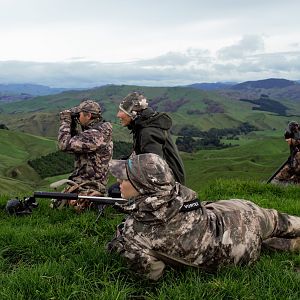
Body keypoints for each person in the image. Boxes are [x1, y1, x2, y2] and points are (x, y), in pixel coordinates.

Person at [107, 153, 300, 281]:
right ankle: (288, 235)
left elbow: (153, 273)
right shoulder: (180, 192)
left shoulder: (133, 234)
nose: (118, 181)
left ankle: (289, 245)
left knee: (254, 243)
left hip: (237, 255)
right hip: (242, 216)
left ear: (142, 188)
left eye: (124, 179)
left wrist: (119, 241)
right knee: (277, 221)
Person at [54, 99, 113, 211]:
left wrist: (66, 122)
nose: (77, 117)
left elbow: (64, 145)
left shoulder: (94, 134)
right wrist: (73, 126)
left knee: (64, 207)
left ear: (89, 116)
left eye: (79, 114)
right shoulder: (99, 130)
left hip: (89, 184)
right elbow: (78, 141)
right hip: (88, 181)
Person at [116, 91, 185, 184]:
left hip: (169, 184)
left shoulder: (148, 132)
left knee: (116, 190)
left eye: (121, 111)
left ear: (133, 113)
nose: (118, 115)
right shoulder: (142, 126)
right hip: (167, 180)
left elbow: (154, 168)